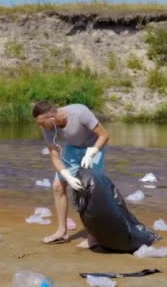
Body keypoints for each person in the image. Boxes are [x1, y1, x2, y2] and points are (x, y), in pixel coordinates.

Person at [32, 101, 109, 247]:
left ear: (52, 116)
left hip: (94, 145)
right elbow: (54, 156)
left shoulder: (79, 113)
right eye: (39, 124)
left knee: (91, 189)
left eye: (42, 123)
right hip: (72, 149)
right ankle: (62, 232)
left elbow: (104, 135)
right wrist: (67, 176)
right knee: (57, 186)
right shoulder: (47, 127)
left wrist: (92, 153)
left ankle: (94, 235)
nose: (41, 127)